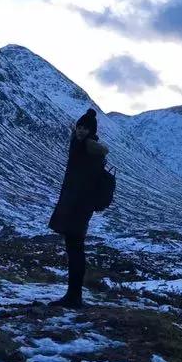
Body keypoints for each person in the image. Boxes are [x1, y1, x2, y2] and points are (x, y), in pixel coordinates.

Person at [48, 108, 109, 308]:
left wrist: (76, 202)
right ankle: (73, 295)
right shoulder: (80, 145)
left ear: (91, 131)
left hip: (79, 206)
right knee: (74, 249)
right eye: (79, 126)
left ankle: (74, 297)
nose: (80, 130)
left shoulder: (89, 149)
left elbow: (85, 181)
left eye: (85, 128)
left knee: (75, 249)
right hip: (75, 204)